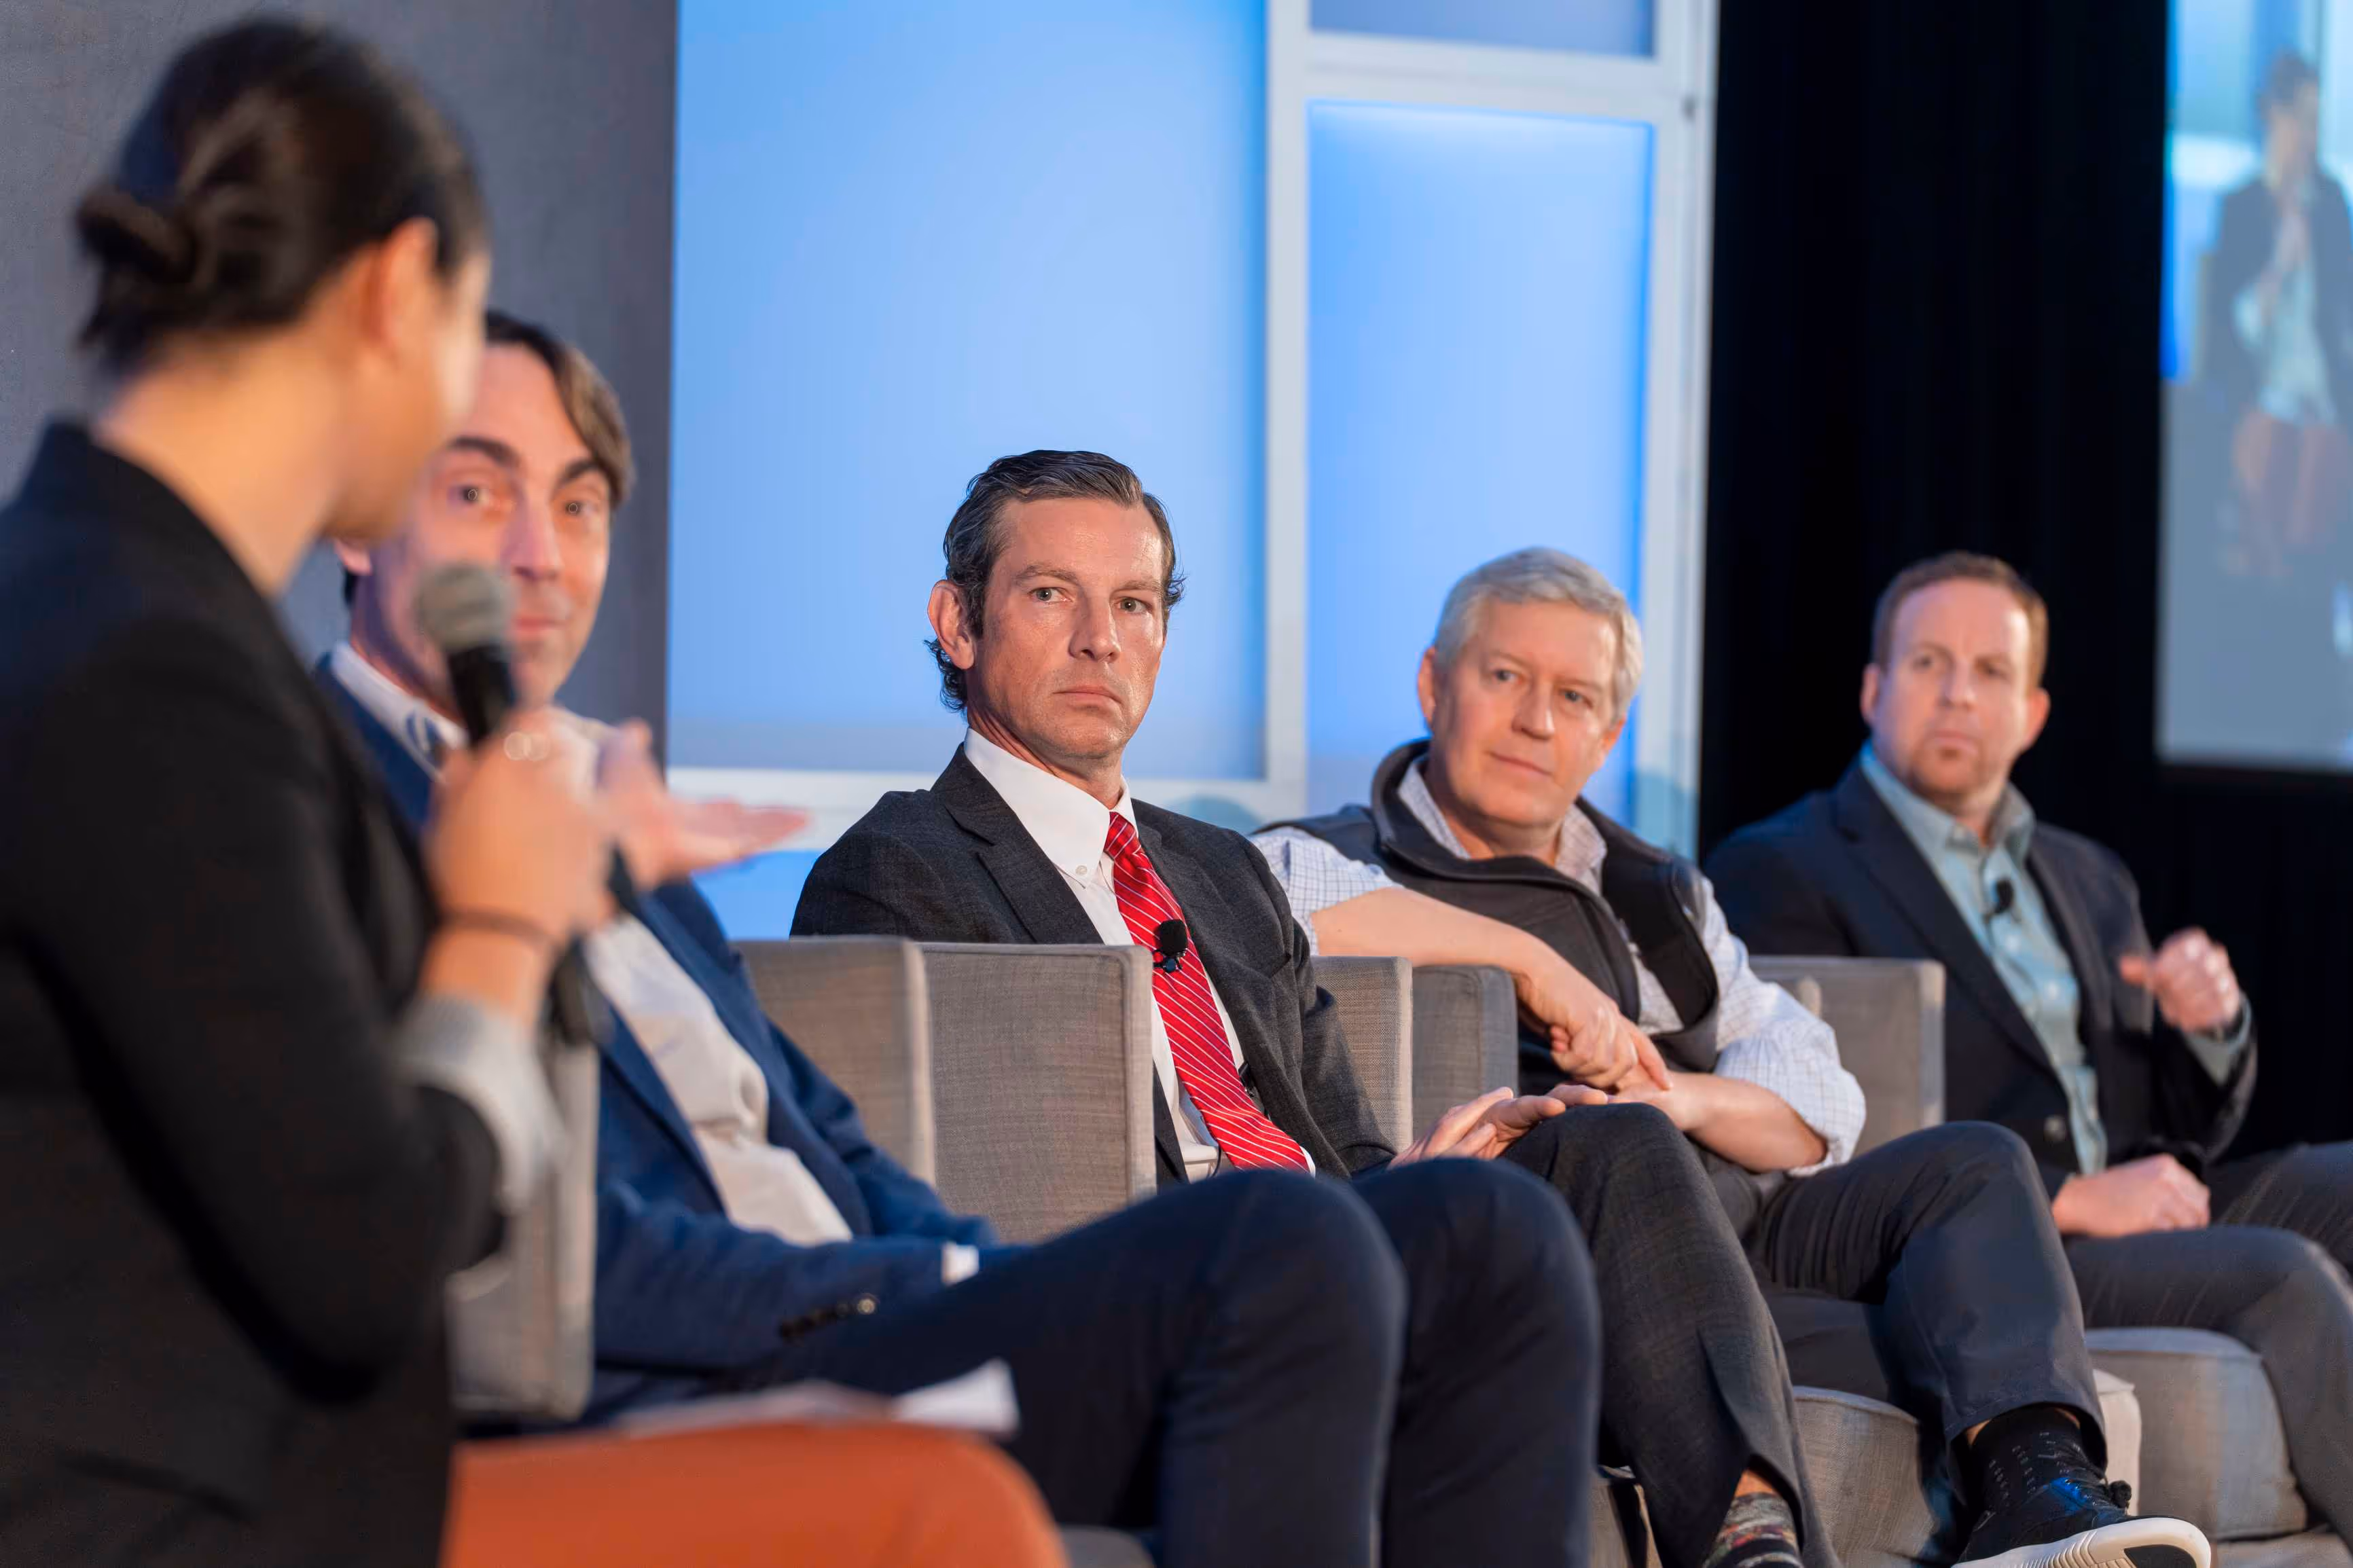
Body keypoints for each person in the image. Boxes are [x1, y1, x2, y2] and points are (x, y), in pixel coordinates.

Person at [331, 350, 1598, 1568]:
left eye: (579, 504)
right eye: (476, 491)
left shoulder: (582, 802)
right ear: (959, 623)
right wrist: (939, 1278)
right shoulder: (336, 805)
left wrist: (970, 1271)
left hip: (939, 1293)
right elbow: (503, 1228)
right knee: (1289, 1246)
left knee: (1499, 1227)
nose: (539, 552)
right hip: (761, 1346)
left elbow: (821, 1131)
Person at [800, 452, 1815, 1568]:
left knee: (1607, 1143)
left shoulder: (1223, 871)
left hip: (1324, 1248)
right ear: (958, 623)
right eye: (1051, 594)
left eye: (1133, 604)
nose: (1101, 639)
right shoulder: (897, 866)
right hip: (1150, 1290)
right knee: (1455, 1232)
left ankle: (1749, 1535)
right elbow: (918, 1201)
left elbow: (1346, 1152)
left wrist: (1423, 1171)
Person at [1257, 546, 2206, 1568]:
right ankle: (1749, 1539)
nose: (1536, 720)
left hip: (1729, 1224)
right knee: (1634, 1146)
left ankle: (2038, 1496)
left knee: (1972, 1161)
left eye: (1574, 696)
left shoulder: (1653, 892)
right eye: (1504, 676)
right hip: (1563, 1239)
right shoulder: (1334, 852)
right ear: (1433, 684)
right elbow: (1268, 897)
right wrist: (1530, 962)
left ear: (1607, 733)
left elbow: (1817, 1099)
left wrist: (1680, 1097)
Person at [0, 21, 615, 1565]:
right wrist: (498, 922)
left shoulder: (106, 595)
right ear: (397, 289)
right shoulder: (154, 666)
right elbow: (366, 1244)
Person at [1707, 549, 2353, 1542]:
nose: (1958, 694)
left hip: (2149, 1199)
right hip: (2011, 1245)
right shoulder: (1783, 867)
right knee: (2284, 1272)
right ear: (1874, 689)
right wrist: (2074, 1197)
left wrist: (2208, 1030)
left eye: (1990, 671)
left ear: (2032, 712)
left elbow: (2179, 1121)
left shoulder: (2088, 876)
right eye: (1928, 663)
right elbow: (1819, 1121)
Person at [2199, 50, 2353, 580]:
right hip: (2261, 386)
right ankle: (2271, 585)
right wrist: (2280, 266)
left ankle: (2302, 589)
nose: (2309, 135)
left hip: (2321, 388)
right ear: (2274, 115)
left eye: (2316, 120)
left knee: (2320, 448)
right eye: (2301, 118)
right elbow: (2229, 330)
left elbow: (2342, 313)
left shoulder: (2331, 204)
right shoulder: (2242, 206)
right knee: (2271, 443)